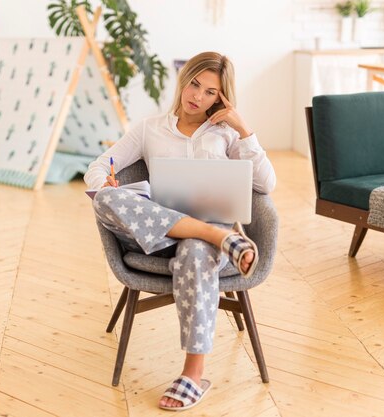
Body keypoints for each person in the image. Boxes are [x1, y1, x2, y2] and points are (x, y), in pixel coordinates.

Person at [84, 51, 276, 411]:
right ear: (183, 78)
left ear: (222, 98)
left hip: (199, 247)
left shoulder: (226, 134)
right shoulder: (149, 127)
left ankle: (192, 374)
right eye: (194, 84)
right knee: (104, 199)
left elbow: (266, 185)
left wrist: (243, 128)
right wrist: (105, 181)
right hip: (156, 235)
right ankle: (216, 235)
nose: (197, 97)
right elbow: (99, 166)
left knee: (195, 250)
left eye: (210, 93)